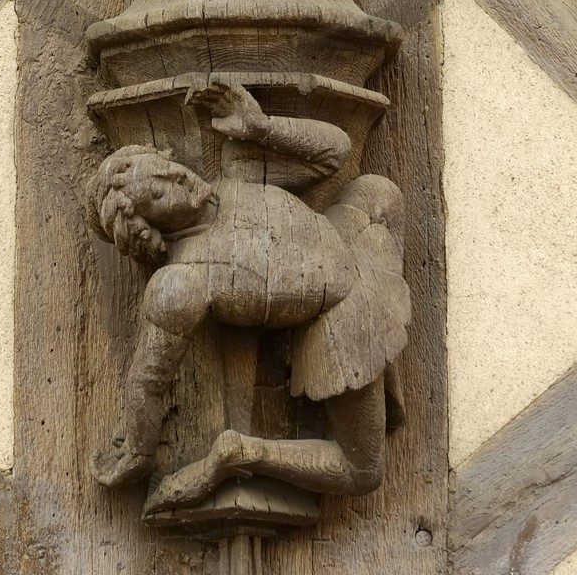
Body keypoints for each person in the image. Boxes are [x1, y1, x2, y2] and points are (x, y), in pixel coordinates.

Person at [86, 79, 411, 509]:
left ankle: (386, 363)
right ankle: (243, 451)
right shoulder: (180, 282)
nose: (180, 178)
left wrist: (262, 127)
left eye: (165, 168)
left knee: (379, 193)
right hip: (339, 321)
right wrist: (138, 451)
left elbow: (338, 151)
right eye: (161, 193)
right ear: (147, 231)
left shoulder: (238, 172)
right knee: (363, 471)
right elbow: (147, 381)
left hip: (349, 241)